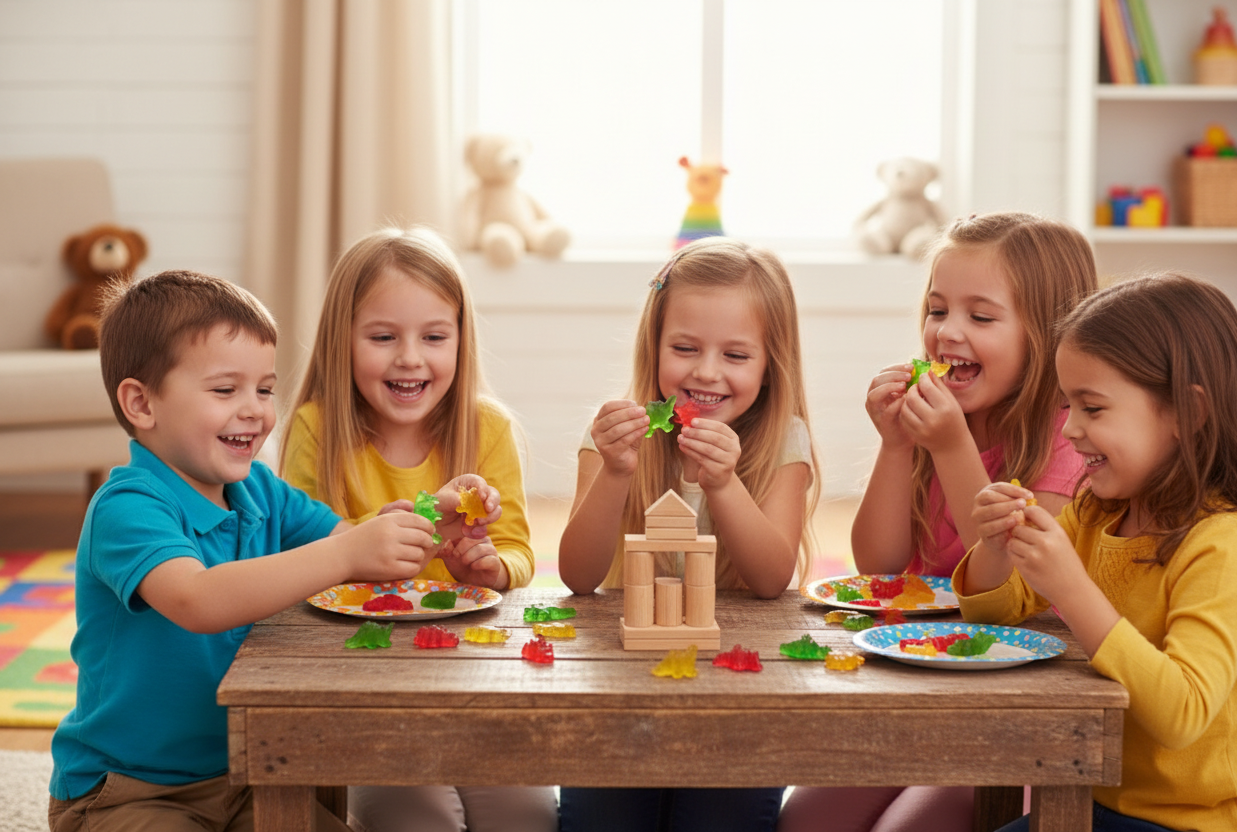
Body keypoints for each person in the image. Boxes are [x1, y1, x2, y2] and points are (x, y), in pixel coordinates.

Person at [48, 270, 487, 831]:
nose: (255, 410)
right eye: (225, 390)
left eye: (264, 389)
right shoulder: (128, 505)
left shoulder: (259, 489)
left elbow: (345, 536)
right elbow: (197, 600)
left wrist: (426, 519)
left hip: (253, 775)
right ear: (141, 403)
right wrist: (352, 553)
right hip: (130, 791)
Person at [780, 212, 1099, 832]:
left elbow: (1012, 588)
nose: (948, 333)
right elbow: (880, 569)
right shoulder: (937, 419)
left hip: (1021, 708)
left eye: (981, 317)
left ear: (1053, 336)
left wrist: (951, 448)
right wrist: (897, 446)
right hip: (924, 683)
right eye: (936, 310)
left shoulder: (1070, 438)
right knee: (806, 819)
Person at [279, 226, 554, 832]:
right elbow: (299, 551)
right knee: (420, 819)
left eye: (434, 336)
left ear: (461, 339)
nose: (410, 357)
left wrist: (490, 568)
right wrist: (403, 524)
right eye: (383, 337)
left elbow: (516, 551)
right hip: (369, 688)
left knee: (528, 815)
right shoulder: (316, 428)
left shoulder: (488, 429)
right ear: (342, 341)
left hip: (474, 681)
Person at [960, 273, 1237, 832]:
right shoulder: (1098, 512)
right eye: (1067, 405)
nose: (1068, 429)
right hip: (1089, 799)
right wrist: (995, 546)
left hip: (1190, 822)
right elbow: (993, 614)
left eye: (1092, 408)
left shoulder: (1222, 545)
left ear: (1188, 414)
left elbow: (1184, 713)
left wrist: (1072, 590)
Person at [558, 237, 821, 832]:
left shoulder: (783, 440)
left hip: (741, 693)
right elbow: (577, 575)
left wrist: (726, 486)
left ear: (770, 363)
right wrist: (617, 472)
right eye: (684, 348)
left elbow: (770, 578)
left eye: (736, 355)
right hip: (619, 688)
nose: (706, 372)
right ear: (653, 347)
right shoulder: (615, 433)